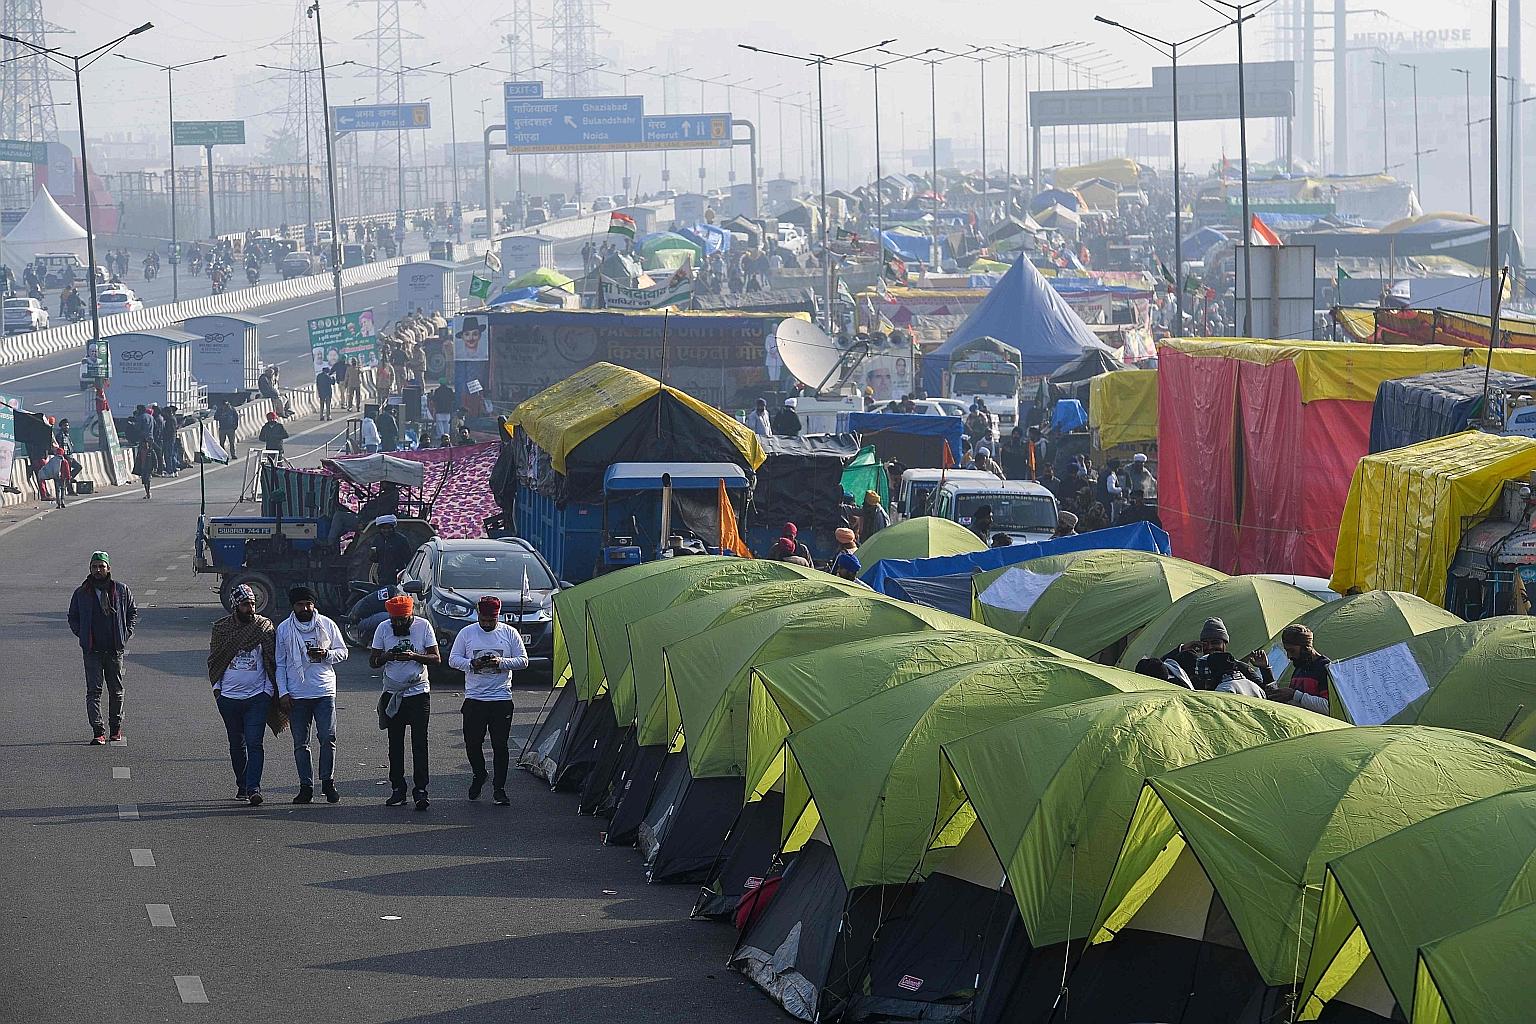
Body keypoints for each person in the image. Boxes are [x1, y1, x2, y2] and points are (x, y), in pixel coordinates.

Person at [448, 596, 529, 805]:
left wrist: (501, 662)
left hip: (501, 697)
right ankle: (479, 772)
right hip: (475, 697)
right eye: (483, 620)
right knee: (472, 742)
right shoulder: (467, 633)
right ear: (478, 615)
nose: (486, 624)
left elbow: (523, 661)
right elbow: (453, 659)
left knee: (500, 745)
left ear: (498, 617)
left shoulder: (509, 633)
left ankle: (499, 788)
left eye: (490, 621)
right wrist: (471, 663)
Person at [276, 586, 348, 804]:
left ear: (314, 604)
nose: (305, 608)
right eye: (300, 605)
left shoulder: (327, 625)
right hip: (297, 694)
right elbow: (280, 663)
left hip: (324, 691)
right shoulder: (284, 629)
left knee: (327, 737)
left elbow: (343, 652)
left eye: (308, 604)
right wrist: (283, 692)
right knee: (300, 743)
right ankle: (306, 786)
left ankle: (328, 782)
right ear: (293, 606)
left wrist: (326, 654)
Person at [207, 584, 278, 806]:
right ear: (235, 606)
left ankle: (254, 787)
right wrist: (217, 690)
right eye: (246, 605)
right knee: (237, 745)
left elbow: (272, 660)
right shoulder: (221, 629)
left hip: (258, 696)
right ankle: (242, 785)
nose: (251, 609)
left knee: (255, 743)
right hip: (228, 698)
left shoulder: (264, 627)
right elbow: (215, 661)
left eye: (253, 604)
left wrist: (268, 691)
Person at [370, 594, 439, 809]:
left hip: (418, 692)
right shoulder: (382, 628)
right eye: (395, 621)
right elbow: (373, 661)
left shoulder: (423, 626)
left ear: (411, 615)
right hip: (393, 692)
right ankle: (398, 788)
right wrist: (387, 656)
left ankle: (421, 790)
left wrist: (414, 656)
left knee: (420, 743)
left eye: (404, 620)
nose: (399, 624)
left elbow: (436, 659)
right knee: (395, 742)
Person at [67, 551, 138, 744]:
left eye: (101, 566)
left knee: (116, 690)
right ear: (90, 569)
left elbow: (132, 612)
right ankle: (98, 731)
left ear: (108, 568)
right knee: (94, 691)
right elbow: (73, 617)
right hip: (92, 651)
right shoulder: (82, 592)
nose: (98, 570)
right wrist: (82, 634)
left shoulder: (121, 590)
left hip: (114, 650)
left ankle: (116, 728)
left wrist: (126, 633)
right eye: (94, 567)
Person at [1186, 617, 1266, 696]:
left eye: (1215, 643)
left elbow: (1269, 694)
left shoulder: (1239, 667)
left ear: (1225, 644)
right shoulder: (1196, 667)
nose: (1210, 647)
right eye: (1205, 643)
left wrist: (1265, 670)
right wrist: (1182, 649)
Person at [1268, 624, 1331, 714]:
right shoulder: (1300, 668)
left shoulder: (1325, 668)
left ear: (1306, 647)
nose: (1289, 656)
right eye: (1287, 651)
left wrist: (1294, 695)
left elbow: (1328, 707)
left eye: (1292, 651)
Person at [368, 515, 414, 586]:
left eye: (388, 528)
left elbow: (408, 558)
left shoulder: (401, 540)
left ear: (393, 528)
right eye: (383, 528)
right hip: (382, 575)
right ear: (380, 529)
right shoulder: (377, 539)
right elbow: (375, 559)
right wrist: (373, 555)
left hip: (396, 575)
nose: (386, 531)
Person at [1097, 458, 1125, 523]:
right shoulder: (1111, 475)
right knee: (1108, 520)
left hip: (1100, 499)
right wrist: (1121, 489)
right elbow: (1111, 489)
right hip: (1107, 501)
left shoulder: (1103, 473)